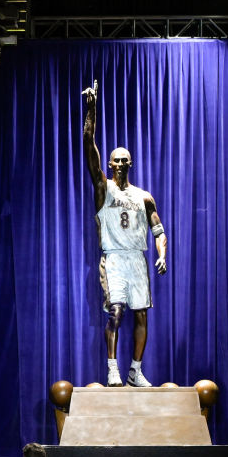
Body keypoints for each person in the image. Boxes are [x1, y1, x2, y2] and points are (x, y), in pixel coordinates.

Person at [82, 80, 168, 387]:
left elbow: (159, 230)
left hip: (138, 260)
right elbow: (88, 140)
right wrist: (91, 109)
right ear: (109, 164)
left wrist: (161, 255)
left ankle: (135, 370)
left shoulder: (144, 196)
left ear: (130, 163)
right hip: (115, 260)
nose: (119, 163)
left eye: (124, 160)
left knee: (142, 315)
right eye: (115, 160)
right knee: (116, 313)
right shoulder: (103, 189)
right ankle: (112, 369)